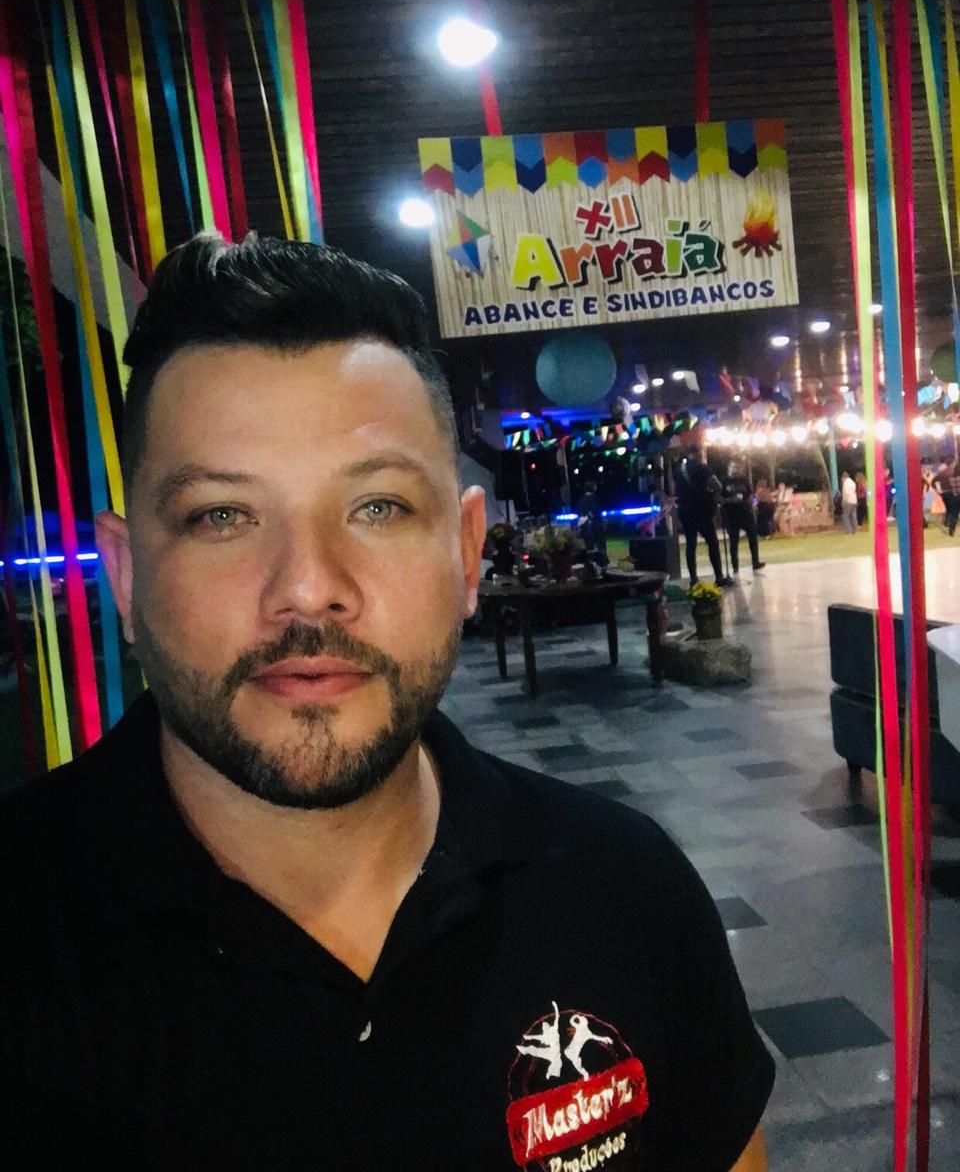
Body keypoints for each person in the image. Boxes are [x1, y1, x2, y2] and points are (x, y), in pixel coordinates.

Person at [0, 234, 773, 1169]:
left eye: (378, 508)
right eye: (221, 516)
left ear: (466, 554)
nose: (308, 588)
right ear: (127, 575)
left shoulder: (626, 889)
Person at [673, 443, 734, 588]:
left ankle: (693, 578)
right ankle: (718, 576)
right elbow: (717, 485)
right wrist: (713, 494)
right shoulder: (702, 467)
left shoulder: (678, 470)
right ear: (699, 453)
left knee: (690, 544)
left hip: (684, 510)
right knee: (712, 542)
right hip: (701, 509)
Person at [720, 459, 765, 575]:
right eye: (734, 467)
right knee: (734, 541)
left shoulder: (743, 480)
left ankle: (755, 562)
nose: (736, 470)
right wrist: (731, 499)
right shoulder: (724, 482)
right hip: (731, 515)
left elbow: (750, 494)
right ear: (729, 468)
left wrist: (753, 503)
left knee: (753, 536)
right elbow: (720, 499)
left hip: (745, 513)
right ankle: (735, 566)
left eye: (738, 468)